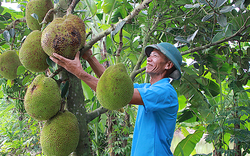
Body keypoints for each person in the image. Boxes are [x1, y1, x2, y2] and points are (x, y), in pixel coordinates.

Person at [50, 42, 182, 156]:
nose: (148, 59)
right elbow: (112, 85)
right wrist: (90, 58)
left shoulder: (165, 92)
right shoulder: (147, 88)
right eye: (149, 55)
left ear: (168, 65)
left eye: (155, 55)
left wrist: (79, 72)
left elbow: (116, 94)